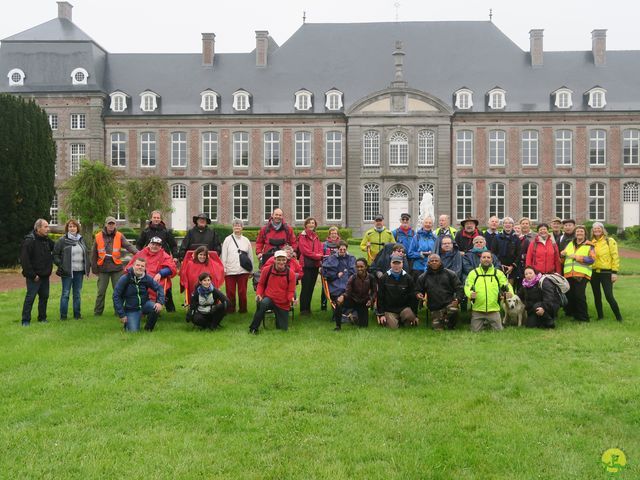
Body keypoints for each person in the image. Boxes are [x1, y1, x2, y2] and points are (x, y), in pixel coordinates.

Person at [91, 216, 138, 316]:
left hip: (116, 268)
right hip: (103, 268)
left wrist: (139, 254)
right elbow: (93, 253)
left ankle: (118, 312)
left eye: (113, 224)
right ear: (105, 224)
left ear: (115, 225)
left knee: (118, 291)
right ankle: (98, 312)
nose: (111, 225)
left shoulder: (119, 235)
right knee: (101, 292)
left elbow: (128, 246)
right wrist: (94, 268)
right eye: (109, 224)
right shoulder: (98, 236)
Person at [136, 210, 178, 311]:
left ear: (160, 219)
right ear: (151, 218)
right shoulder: (146, 231)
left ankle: (170, 308)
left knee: (166, 285)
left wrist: (175, 256)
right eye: (154, 217)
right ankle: (148, 305)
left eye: (158, 218)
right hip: (149, 260)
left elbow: (173, 245)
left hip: (163, 260)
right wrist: (140, 255)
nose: (156, 219)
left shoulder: (166, 231)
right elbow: (139, 244)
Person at [464, 251, 513, 332]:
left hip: (493, 310)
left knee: (499, 332)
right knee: (474, 332)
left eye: (488, 257)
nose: (486, 259)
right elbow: (467, 286)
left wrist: (510, 292)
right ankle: (482, 324)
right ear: (480, 259)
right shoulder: (473, 273)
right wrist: (470, 294)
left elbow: (506, 284)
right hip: (477, 310)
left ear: (492, 259)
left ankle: (490, 323)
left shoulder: (498, 273)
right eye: (484, 257)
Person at [249, 250, 297, 334]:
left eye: (283, 260)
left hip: (283, 302)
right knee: (262, 304)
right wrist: (259, 294)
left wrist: (292, 299)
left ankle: (280, 321)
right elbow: (261, 285)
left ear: (286, 260)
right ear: (274, 260)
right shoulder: (266, 270)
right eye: (279, 260)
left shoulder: (291, 274)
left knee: (282, 329)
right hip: (269, 298)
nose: (281, 262)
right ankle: (253, 328)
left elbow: (291, 290)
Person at [113, 257, 164, 332]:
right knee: (133, 331)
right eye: (138, 265)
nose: (140, 267)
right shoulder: (125, 278)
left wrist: (160, 302)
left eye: (142, 266)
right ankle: (128, 323)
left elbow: (159, 288)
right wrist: (121, 314)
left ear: (145, 268)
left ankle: (148, 329)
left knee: (155, 308)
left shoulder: (147, 278)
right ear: (133, 266)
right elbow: (116, 296)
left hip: (145, 304)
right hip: (132, 309)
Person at [126, 236, 177, 310]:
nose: (154, 246)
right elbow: (130, 266)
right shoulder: (141, 253)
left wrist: (160, 273)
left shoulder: (164, 255)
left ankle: (154, 307)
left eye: (157, 245)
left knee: (158, 287)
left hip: (157, 279)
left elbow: (171, 268)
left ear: (160, 246)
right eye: (153, 244)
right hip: (140, 277)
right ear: (149, 244)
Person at [53, 219, 90, 320]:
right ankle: (63, 316)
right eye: (70, 226)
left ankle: (77, 315)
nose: (72, 228)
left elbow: (86, 254)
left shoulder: (81, 240)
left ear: (77, 228)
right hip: (67, 272)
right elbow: (55, 255)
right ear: (67, 228)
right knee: (65, 294)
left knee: (77, 294)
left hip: (79, 271)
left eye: (74, 226)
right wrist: (61, 265)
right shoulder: (62, 240)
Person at [415, 254, 464, 330]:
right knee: (438, 330)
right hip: (435, 307)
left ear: (440, 262)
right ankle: (442, 320)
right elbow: (418, 290)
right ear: (428, 263)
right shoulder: (423, 277)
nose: (434, 262)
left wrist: (458, 299)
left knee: (453, 310)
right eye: (432, 261)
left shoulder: (450, 274)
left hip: (449, 304)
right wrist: (418, 294)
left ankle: (450, 325)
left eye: (436, 261)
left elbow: (459, 288)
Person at [20, 219, 54, 326]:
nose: (48, 229)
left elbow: (57, 247)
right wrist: (33, 275)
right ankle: (25, 320)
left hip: (45, 276)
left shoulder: (46, 240)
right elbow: (25, 261)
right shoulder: (29, 241)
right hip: (34, 277)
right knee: (30, 298)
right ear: (38, 228)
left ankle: (42, 318)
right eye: (45, 227)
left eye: (48, 226)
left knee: (44, 297)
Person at [561, 225, 595, 322]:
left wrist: (577, 257)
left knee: (580, 296)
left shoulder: (590, 245)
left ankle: (584, 318)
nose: (579, 233)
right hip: (569, 274)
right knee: (571, 296)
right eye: (577, 232)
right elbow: (563, 260)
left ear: (585, 233)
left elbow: (592, 260)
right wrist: (562, 255)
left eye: (581, 231)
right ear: (575, 234)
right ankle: (575, 315)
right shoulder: (570, 244)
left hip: (581, 275)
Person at [590, 222, 623, 321]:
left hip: (606, 272)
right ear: (592, 230)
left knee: (609, 296)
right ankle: (600, 316)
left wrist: (614, 272)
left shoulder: (609, 240)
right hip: (594, 272)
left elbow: (615, 256)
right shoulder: (591, 242)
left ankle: (619, 317)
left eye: (599, 228)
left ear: (602, 229)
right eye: (595, 229)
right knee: (597, 295)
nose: (597, 230)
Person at [376, 253, 418, 328]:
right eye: (394, 263)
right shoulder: (383, 278)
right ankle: (395, 320)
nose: (396, 266)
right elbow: (380, 297)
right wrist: (381, 314)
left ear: (402, 264)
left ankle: (404, 320)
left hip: (403, 308)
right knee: (393, 327)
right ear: (390, 264)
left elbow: (413, 297)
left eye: (399, 263)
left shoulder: (409, 278)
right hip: (389, 310)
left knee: (410, 318)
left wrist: (415, 315)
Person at [334, 258, 376, 330]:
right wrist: (342, 296)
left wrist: (371, 300)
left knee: (363, 327)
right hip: (352, 300)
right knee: (338, 302)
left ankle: (353, 317)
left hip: (363, 302)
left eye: (361, 267)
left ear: (366, 267)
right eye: (357, 267)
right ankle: (338, 326)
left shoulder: (371, 278)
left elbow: (374, 291)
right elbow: (348, 291)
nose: (359, 269)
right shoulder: (352, 277)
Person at [221, 219, 252, 314]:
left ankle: (243, 310)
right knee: (230, 292)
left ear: (242, 227)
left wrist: (251, 270)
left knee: (242, 292)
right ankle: (231, 310)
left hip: (243, 270)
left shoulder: (246, 240)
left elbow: (250, 256)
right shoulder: (227, 240)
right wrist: (224, 268)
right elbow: (224, 255)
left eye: (239, 225)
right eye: (235, 225)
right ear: (232, 227)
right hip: (230, 270)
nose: (237, 227)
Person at [321, 241, 356, 326]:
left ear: (346, 249)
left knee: (353, 292)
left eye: (344, 249)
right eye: (340, 249)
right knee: (339, 293)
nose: (342, 251)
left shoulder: (351, 258)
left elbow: (354, 271)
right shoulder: (331, 259)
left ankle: (350, 315)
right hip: (335, 284)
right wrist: (336, 275)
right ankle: (344, 316)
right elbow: (325, 272)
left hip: (348, 282)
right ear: (337, 249)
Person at [297, 217, 324, 315]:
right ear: (306, 225)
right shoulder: (302, 236)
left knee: (311, 287)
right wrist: (317, 256)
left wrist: (319, 254)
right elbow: (304, 251)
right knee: (305, 287)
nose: (312, 224)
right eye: (310, 223)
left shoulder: (316, 236)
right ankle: (303, 309)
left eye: (313, 223)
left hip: (315, 265)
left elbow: (320, 248)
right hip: (306, 265)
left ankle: (308, 308)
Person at [493, 216, 521, 284]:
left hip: (512, 269)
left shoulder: (516, 238)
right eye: (505, 223)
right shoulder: (497, 238)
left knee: (510, 289)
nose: (507, 225)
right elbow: (493, 253)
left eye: (510, 223)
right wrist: (499, 265)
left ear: (512, 225)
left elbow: (519, 254)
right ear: (503, 225)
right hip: (499, 267)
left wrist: (512, 266)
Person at [407, 216, 437, 281]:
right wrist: (421, 254)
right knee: (418, 289)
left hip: (431, 268)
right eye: (426, 222)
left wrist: (432, 254)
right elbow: (410, 253)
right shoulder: (416, 237)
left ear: (432, 225)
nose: (428, 224)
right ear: (423, 224)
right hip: (418, 269)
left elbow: (437, 253)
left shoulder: (435, 238)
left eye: (430, 223)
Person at [320, 226, 341, 311]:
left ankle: (336, 303)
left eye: (335, 233)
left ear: (337, 234)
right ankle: (323, 304)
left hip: (337, 268)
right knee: (324, 287)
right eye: (332, 233)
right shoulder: (324, 244)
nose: (333, 235)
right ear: (329, 235)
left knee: (336, 286)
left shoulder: (341, 243)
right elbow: (321, 256)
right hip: (326, 268)